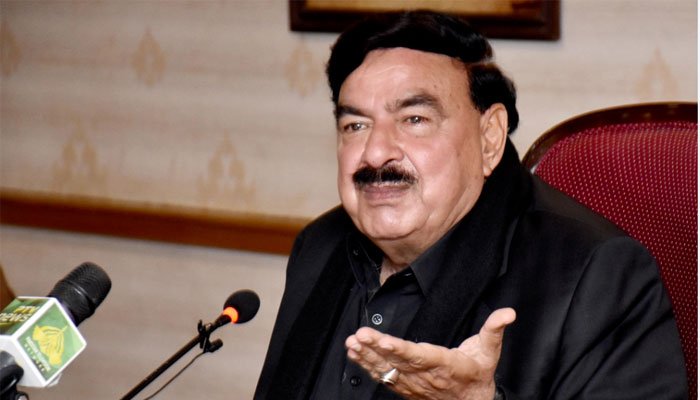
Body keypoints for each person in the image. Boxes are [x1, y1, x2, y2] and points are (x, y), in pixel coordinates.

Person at [254, 10, 687, 400]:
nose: (375, 153)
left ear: (489, 137)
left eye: (414, 120)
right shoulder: (320, 245)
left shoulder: (599, 275)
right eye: (355, 125)